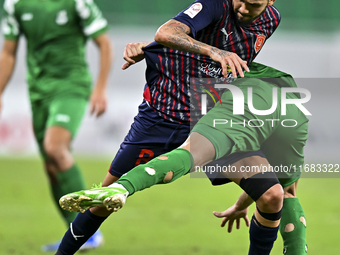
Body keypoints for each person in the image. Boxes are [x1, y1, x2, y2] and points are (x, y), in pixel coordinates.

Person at [55, 0, 306, 254]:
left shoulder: (270, 20)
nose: (242, 8)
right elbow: (166, 33)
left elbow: (232, 64)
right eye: (239, 0)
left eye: (252, 4)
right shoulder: (213, 5)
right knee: (103, 201)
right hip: (161, 118)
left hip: (213, 120)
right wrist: (211, 51)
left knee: (273, 194)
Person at [0, 0, 112, 252]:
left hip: (71, 86)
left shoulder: (76, 2)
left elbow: (104, 42)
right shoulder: (15, 4)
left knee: (55, 148)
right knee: (51, 167)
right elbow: (8, 52)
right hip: (38, 91)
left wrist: (100, 88)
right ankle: (75, 232)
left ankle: (89, 229)